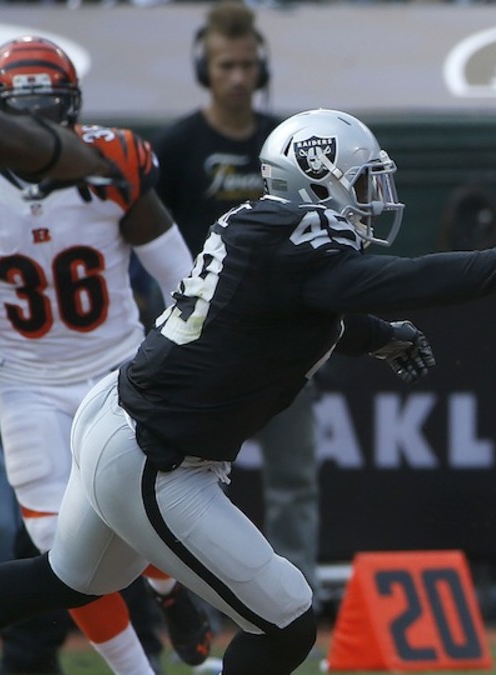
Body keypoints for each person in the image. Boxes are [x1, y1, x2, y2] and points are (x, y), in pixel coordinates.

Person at [0, 107, 496, 675]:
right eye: (362, 183)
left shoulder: (267, 231)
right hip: (156, 459)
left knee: (66, 581)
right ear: (317, 176)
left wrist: (377, 336)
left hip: (118, 416)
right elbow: (413, 280)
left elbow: (295, 315)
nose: (374, 199)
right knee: (288, 622)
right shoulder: (298, 240)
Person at [0, 36, 215, 673]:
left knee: (135, 506)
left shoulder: (111, 165)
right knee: (54, 543)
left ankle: (170, 590)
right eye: (22, 111)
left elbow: (184, 277)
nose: (38, 127)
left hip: (116, 367)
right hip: (25, 382)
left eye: (51, 108)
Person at [151, 1, 325, 614]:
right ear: (206, 67)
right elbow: (150, 241)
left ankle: (297, 605)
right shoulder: (177, 146)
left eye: (247, 65)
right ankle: (193, 612)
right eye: (225, 65)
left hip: (287, 340)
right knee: (183, 482)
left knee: (294, 480)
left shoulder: (284, 142)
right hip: (203, 345)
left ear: (262, 67)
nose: (237, 77)